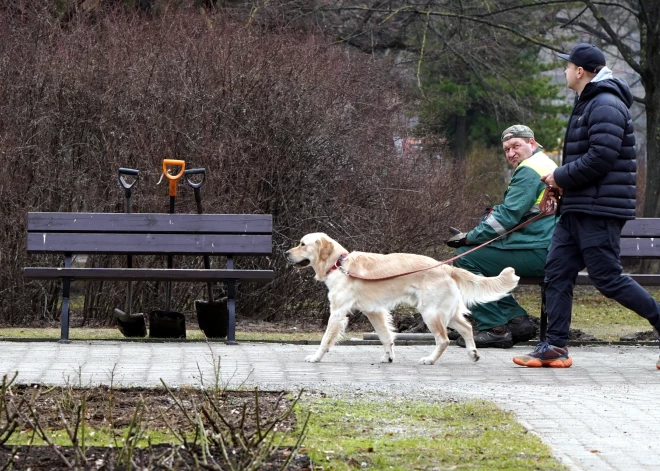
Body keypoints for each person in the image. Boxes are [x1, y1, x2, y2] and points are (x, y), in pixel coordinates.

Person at [513, 43, 660, 369]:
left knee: (607, 279)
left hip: (599, 210)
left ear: (580, 71)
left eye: (568, 66)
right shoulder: (588, 103)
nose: (565, 71)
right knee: (557, 272)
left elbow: (601, 158)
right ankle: (555, 346)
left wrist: (559, 176)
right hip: (578, 208)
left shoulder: (605, 104)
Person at [447, 125, 558, 348]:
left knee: (464, 258)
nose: (511, 153)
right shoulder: (546, 163)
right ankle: (516, 320)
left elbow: (507, 217)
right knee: (483, 262)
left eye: (516, 146)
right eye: (506, 149)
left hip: (541, 250)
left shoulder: (530, 169)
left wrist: (470, 238)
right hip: (549, 246)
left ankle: (494, 327)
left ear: (532, 143)